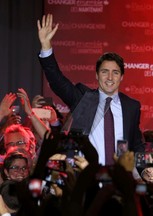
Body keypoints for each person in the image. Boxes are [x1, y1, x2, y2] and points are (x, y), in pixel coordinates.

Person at [37, 14, 144, 165]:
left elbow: (136, 144)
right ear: (96, 75)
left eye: (115, 72)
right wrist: (46, 46)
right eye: (104, 71)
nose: (109, 77)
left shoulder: (131, 106)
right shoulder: (83, 99)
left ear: (121, 77)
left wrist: (144, 171)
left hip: (119, 179)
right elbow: (57, 81)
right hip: (86, 176)